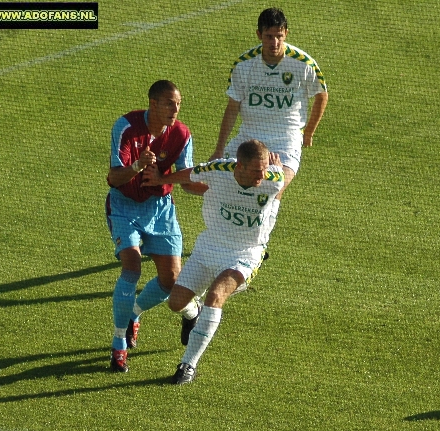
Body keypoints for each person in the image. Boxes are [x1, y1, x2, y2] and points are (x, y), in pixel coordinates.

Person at [142, 139, 284, 384]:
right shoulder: (220, 170)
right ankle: (193, 313)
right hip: (209, 246)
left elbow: (276, 185)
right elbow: (191, 174)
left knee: (216, 295)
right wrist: (161, 180)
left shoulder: (273, 180)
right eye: (255, 171)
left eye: (264, 170)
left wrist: (274, 172)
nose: (261, 176)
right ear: (238, 166)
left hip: (245, 253)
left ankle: (188, 365)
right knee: (176, 303)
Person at [105, 79, 207, 373]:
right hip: (124, 206)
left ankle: (134, 314)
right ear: (153, 104)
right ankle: (118, 344)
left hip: (160, 210)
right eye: (169, 104)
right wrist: (136, 166)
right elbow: (113, 177)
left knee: (171, 281)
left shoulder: (182, 134)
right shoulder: (125, 127)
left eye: (178, 104)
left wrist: (217, 188)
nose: (176, 109)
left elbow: (186, 179)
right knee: (132, 267)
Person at [209, 7, 328, 232]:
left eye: (279, 36)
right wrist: (219, 148)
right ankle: (225, 231)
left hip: (286, 140)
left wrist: (309, 132)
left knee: (275, 186)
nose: (274, 42)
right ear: (258, 35)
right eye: (269, 36)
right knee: (224, 181)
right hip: (249, 136)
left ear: (286, 34)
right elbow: (232, 107)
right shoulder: (244, 64)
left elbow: (322, 94)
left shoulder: (302, 63)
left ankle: (260, 241)